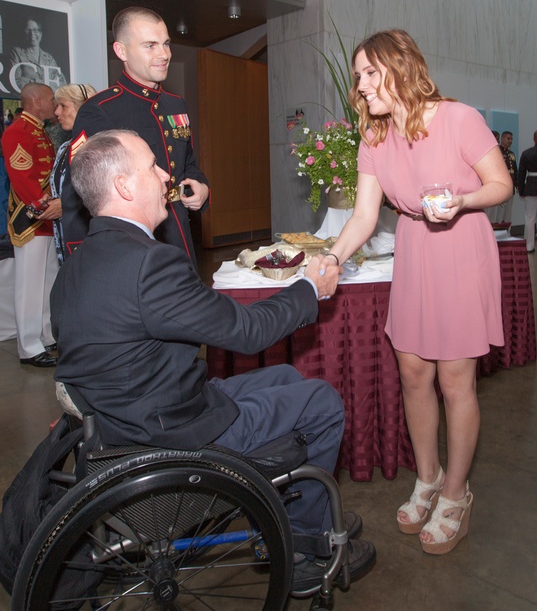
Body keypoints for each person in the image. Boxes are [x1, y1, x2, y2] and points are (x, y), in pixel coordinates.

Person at [51, 129, 376, 596]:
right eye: (152, 167)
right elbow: (247, 333)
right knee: (322, 401)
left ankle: (292, 513)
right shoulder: (149, 265)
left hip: (127, 422)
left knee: (285, 374)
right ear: (124, 187)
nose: (167, 174)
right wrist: (308, 288)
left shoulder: (76, 266)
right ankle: (306, 546)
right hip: (172, 435)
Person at [326, 29, 512, 555]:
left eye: (368, 73)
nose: (360, 86)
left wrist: (464, 199)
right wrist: (332, 258)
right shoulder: (375, 136)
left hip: (459, 249)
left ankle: (456, 493)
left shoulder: (458, 118)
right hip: (414, 251)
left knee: (456, 382)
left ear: (400, 66)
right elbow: (364, 215)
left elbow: (502, 185)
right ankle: (427, 478)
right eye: (357, 76)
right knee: (412, 373)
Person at [68, 6, 210, 265]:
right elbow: (80, 192)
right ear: (121, 51)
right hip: (130, 248)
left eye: (166, 44)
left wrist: (201, 186)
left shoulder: (175, 104)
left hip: (180, 237)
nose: (164, 54)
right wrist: (83, 258)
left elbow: (187, 163)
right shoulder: (100, 111)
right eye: (150, 46)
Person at [0, 82, 59, 368]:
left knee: (47, 282)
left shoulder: (37, 130)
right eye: (50, 99)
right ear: (36, 100)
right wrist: (42, 207)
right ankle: (29, 346)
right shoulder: (18, 132)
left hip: (46, 218)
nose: (54, 104)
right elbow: (23, 178)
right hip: (31, 217)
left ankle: (46, 336)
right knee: (29, 285)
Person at [47, 83, 96, 261]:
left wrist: (66, 204)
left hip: (91, 240)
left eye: (63, 106)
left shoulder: (101, 146)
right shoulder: (64, 148)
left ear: (84, 107)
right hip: (67, 237)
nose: (57, 113)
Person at [8, 17, 66, 89]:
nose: (32, 34)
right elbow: (16, 82)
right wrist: (46, 84)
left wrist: (32, 81)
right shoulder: (16, 53)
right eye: (28, 30)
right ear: (24, 32)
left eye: (35, 30)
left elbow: (61, 84)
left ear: (40, 33)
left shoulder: (49, 58)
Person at [486, 130, 516, 224]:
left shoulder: (511, 154)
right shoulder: (496, 152)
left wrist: (516, 184)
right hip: (498, 185)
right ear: (502, 139)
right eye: (508, 138)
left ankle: (506, 233)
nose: (510, 141)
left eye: (511, 139)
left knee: (507, 213)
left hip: (510, 185)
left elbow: (514, 170)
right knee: (494, 213)